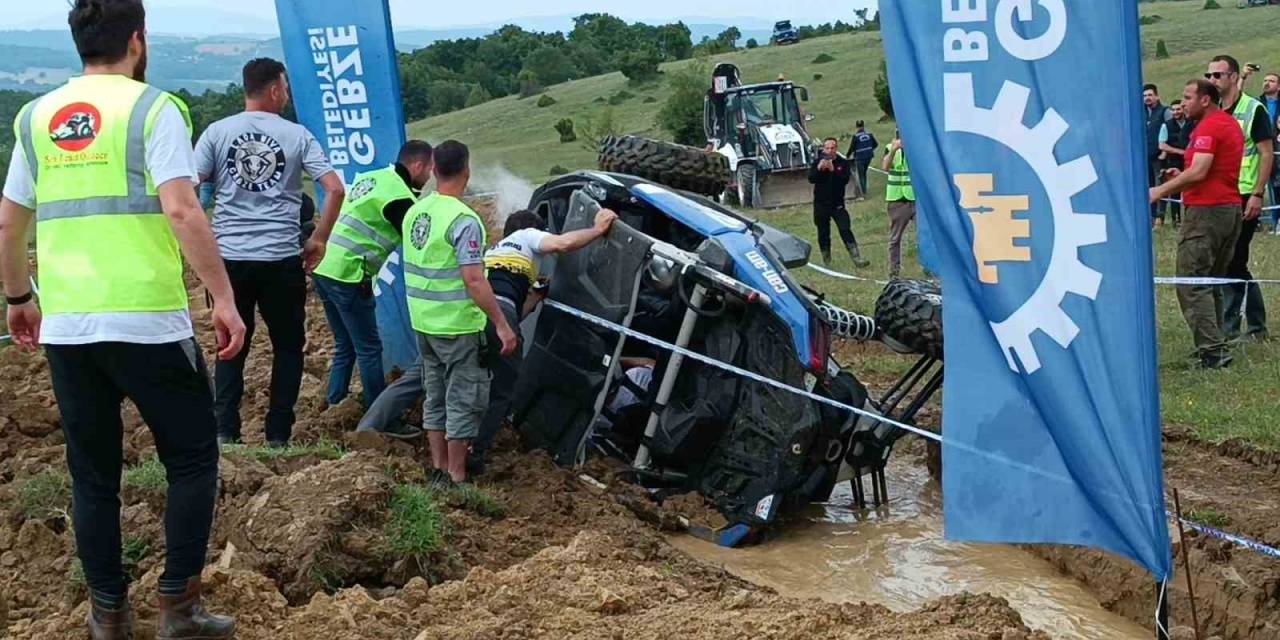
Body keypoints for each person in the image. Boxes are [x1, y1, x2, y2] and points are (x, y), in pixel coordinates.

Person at [0, 1, 244, 637]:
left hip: (71, 329)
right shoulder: (153, 108)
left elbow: (8, 220)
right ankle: (179, 608)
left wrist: (19, 298)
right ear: (138, 40)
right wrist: (221, 296)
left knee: (93, 475)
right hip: (146, 321)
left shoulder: (34, 117)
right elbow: (184, 211)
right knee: (191, 458)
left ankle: (108, 616)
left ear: (78, 41)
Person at [196, 58, 347, 447]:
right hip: (281, 259)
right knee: (287, 347)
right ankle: (278, 435)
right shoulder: (297, 135)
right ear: (276, 90)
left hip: (228, 260)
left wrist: (203, 240)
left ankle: (223, 431)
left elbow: (189, 185)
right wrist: (320, 239)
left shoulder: (216, 132)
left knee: (230, 344)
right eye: (286, 87)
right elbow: (334, 188)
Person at [402, 140, 517, 484]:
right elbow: (473, 279)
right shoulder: (464, 220)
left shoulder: (416, 211)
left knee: (435, 395)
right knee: (463, 398)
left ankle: (439, 469)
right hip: (456, 326)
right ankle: (456, 475)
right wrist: (501, 323)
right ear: (467, 171)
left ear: (434, 170)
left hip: (424, 323)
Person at [471, 206, 618, 471]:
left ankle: (457, 446)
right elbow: (564, 244)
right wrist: (597, 230)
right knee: (503, 391)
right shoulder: (527, 235)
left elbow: (516, 310)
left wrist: (536, 296)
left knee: (470, 381)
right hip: (499, 313)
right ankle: (476, 453)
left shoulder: (492, 251)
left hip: (473, 315)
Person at [311, 141, 434, 410]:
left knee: (345, 343)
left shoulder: (374, 177)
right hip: (348, 273)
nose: (429, 178)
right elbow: (419, 245)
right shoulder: (399, 197)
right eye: (429, 170)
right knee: (369, 348)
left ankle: (335, 404)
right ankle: (377, 416)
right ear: (418, 165)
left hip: (323, 267)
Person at [1149, 79, 1244, 370]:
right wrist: (1182, 173)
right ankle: (1216, 344)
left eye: (1188, 97)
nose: (1183, 102)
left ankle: (1213, 353)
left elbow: (1201, 171)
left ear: (1205, 100)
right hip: (1228, 209)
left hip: (1207, 213)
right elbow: (1206, 168)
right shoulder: (1226, 124)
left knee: (1191, 283)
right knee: (1210, 281)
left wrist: (1158, 192)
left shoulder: (1210, 126)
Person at [1206, 55, 1273, 342]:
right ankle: (1251, 325)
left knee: (1235, 260)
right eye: (1209, 76)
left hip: (1246, 193)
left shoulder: (1253, 109)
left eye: (1218, 75)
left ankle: (1243, 326)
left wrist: (1258, 194)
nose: (1212, 81)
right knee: (1228, 261)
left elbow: (1266, 154)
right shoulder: (1214, 111)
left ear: (1234, 77)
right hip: (1222, 194)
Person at [809, 138, 869, 268]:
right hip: (820, 204)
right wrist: (819, 169)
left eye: (832, 148)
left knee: (845, 228)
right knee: (823, 232)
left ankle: (856, 257)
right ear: (823, 149)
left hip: (837, 204)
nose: (830, 151)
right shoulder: (817, 161)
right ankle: (827, 260)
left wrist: (833, 170)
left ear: (836, 148)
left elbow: (844, 180)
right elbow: (811, 179)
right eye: (827, 148)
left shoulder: (843, 163)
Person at [882, 131, 916, 278]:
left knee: (925, 235)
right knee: (895, 238)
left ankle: (930, 267)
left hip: (915, 199)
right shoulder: (889, 147)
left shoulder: (916, 147)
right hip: (897, 199)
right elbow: (885, 167)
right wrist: (894, 149)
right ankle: (894, 271)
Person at [1158, 100, 1193, 226]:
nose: (1176, 112)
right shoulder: (1165, 126)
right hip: (1173, 162)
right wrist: (1180, 152)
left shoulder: (1192, 123)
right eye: (1173, 110)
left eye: (1178, 109)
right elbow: (1162, 145)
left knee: (1191, 189)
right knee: (1175, 191)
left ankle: (1189, 218)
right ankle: (1175, 219)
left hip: (1190, 161)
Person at [1144, 84, 1173, 223]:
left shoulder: (1165, 112)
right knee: (1147, 186)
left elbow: (1171, 131)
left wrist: (1165, 152)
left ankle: (1160, 217)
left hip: (1159, 157)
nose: (1147, 98)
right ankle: (1150, 216)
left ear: (1157, 96)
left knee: (1159, 186)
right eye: (1144, 96)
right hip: (1145, 158)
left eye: (1150, 95)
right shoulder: (1140, 113)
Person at [847, 120, 878, 199]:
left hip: (860, 157)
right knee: (864, 173)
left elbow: (852, 148)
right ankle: (864, 189)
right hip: (868, 157)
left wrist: (847, 155)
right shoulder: (869, 135)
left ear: (857, 127)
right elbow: (876, 144)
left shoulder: (856, 137)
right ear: (863, 126)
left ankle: (863, 192)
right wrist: (870, 149)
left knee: (861, 175)